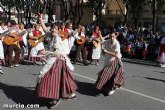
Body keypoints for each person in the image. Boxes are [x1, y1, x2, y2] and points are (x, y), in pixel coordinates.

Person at [35, 16, 77, 109]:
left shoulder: (57, 39)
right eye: (52, 28)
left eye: (55, 28)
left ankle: (55, 98)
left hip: (57, 61)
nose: (53, 29)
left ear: (58, 30)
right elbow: (45, 28)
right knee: (63, 79)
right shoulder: (50, 34)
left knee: (51, 79)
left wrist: (45, 52)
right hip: (54, 59)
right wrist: (41, 19)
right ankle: (70, 94)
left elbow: (57, 53)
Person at [95, 32, 125, 96]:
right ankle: (105, 87)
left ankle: (112, 89)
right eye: (111, 36)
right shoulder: (109, 41)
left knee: (106, 74)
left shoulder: (117, 44)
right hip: (108, 59)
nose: (112, 38)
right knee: (106, 75)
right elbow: (102, 41)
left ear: (115, 37)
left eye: (113, 37)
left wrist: (106, 51)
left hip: (114, 61)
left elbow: (116, 55)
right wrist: (100, 34)